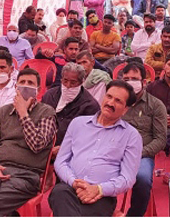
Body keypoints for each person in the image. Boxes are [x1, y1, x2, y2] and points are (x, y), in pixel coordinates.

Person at [0, 68, 57, 217]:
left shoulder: (47, 112)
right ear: (16, 86)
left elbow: (37, 145)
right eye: (22, 82)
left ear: (39, 89)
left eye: (30, 83)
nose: (25, 86)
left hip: (26, 174)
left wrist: (23, 114)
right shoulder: (3, 112)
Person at [48, 80, 142, 217]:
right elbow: (60, 161)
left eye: (118, 101)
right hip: (68, 190)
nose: (110, 103)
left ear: (125, 109)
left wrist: (98, 189)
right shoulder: (78, 124)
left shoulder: (131, 136)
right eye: (109, 97)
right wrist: (74, 182)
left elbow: (127, 178)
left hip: (101, 197)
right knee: (59, 193)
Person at [120, 63, 168, 216]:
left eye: (134, 79)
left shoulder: (155, 105)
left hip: (142, 154)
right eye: (126, 79)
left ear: (144, 82)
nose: (130, 82)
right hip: (114, 150)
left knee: (142, 179)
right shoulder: (116, 101)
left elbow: (160, 139)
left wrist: (139, 152)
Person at [42, 63, 100, 148]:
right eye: (65, 81)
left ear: (81, 82)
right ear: (61, 80)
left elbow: (87, 136)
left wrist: (63, 148)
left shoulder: (90, 106)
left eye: (73, 82)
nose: (68, 86)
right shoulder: (50, 95)